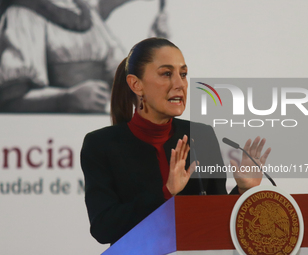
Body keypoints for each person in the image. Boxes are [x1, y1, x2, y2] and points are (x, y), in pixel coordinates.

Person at [80, 37, 271, 244]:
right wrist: (166, 192)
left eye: (183, 74)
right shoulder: (101, 145)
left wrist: (244, 189)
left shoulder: (201, 136)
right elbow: (103, 227)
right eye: (167, 74)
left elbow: (217, 217)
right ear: (136, 84)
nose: (180, 84)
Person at [0, 0, 168, 113]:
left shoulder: (89, 14)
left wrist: (153, 48)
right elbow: (11, 99)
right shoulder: (22, 15)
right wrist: (67, 98)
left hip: (92, 129)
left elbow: (122, 78)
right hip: (49, 141)